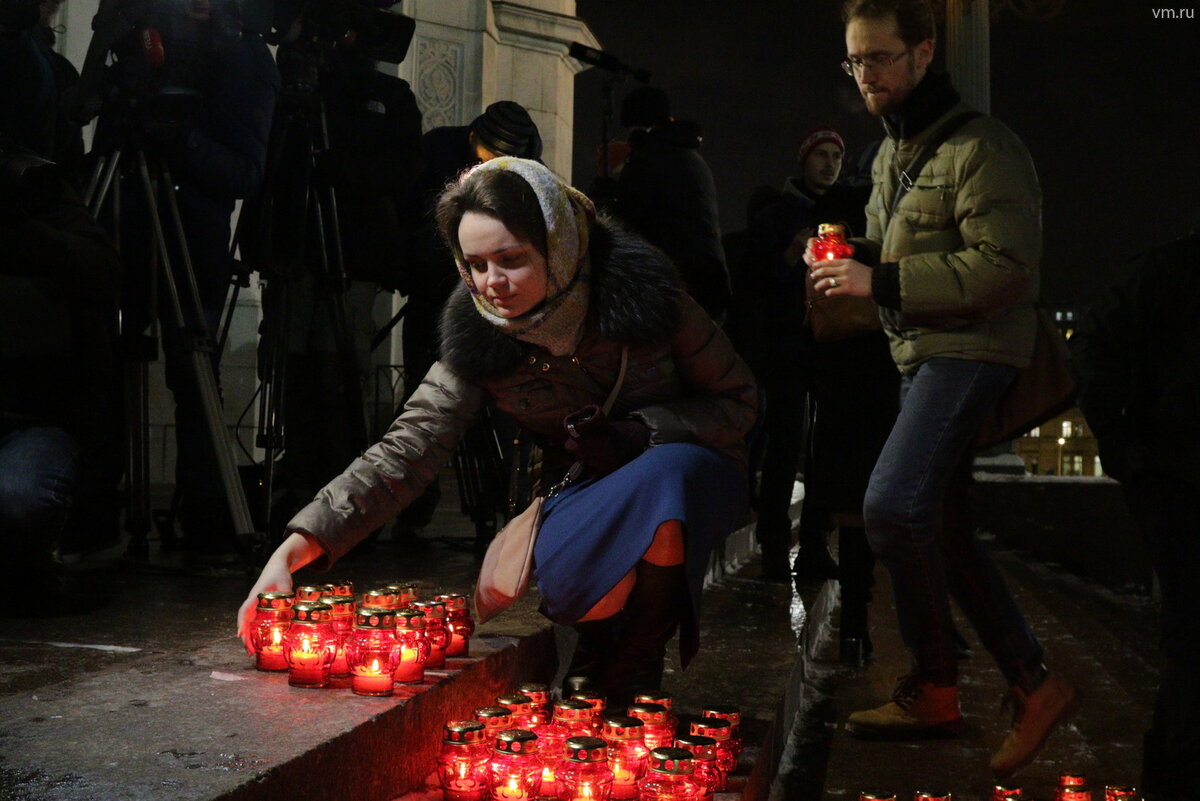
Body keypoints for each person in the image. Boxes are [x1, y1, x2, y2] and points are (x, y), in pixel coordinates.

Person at [236, 157, 757, 706]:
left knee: (665, 477)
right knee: (581, 572)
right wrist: (295, 548)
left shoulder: (649, 297)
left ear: (557, 245)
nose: (493, 284)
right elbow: (407, 449)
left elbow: (739, 400)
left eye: (511, 260)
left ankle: (636, 661)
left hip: (695, 473)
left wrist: (644, 431)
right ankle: (598, 641)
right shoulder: (477, 335)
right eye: (475, 264)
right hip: (584, 486)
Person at [807, 0, 1077, 777]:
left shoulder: (985, 147)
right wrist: (840, 252)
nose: (866, 76)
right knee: (943, 530)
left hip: (973, 350)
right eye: (855, 61)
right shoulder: (893, 156)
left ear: (924, 53)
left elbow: (1007, 268)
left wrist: (877, 275)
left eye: (881, 58)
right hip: (920, 353)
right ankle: (961, 689)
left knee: (892, 505)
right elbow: (900, 247)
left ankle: (996, 682)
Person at [97, 0, 279, 558]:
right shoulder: (144, 33)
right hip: (122, 217)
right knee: (100, 358)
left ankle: (205, 516)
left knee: (190, 368)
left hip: (190, 232)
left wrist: (180, 140)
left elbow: (246, 172)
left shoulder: (244, 57)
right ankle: (93, 511)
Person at [256, 34, 424, 531]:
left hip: (356, 256)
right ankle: (297, 475)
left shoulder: (390, 99)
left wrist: (345, 171)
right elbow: (273, 169)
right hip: (300, 251)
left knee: (340, 368)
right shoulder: (302, 95)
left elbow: (405, 171)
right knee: (293, 363)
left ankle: (344, 482)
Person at [1071, 231, 1200, 801]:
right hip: (1176, 473)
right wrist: (1123, 447)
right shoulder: (1169, 266)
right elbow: (1095, 343)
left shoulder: (1165, 264)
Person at [394, 100, 544, 536]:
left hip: (493, 308)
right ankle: (414, 506)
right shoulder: (438, 152)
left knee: (499, 403)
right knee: (424, 402)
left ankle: (508, 513)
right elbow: (408, 214)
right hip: (431, 296)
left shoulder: (528, 173)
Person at [748, 125, 879, 582]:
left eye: (836, 156)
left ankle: (816, 543)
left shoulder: (848, 210)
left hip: (835, 341)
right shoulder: (775, 213)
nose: (829, 163)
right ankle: (772, 542)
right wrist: (790, 254)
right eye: (820, 154)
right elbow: (754, 283)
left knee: (827, 445)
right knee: (786, 442)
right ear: (803, 159)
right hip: (787, 343)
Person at [0, 133, 123, 603]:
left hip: (30, 417)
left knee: (19, 499)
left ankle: (28, 559)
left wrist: (20, 233)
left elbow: (103, 268)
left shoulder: (28, 185)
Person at [613, 85, 731, 323]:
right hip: (707, 283)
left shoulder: (649, 157)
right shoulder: (687, 155)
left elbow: (625, 224)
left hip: (674, 286)